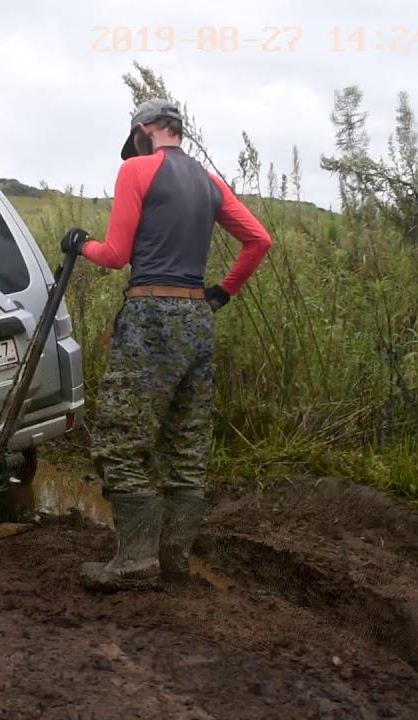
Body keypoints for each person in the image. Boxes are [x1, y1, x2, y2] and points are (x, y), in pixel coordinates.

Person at [60, 98, 272, 592]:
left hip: (151, 316)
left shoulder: (138, 170)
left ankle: (135, 560)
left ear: (148, 129)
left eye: (136, 138)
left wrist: (79, 244)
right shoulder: (210, 182)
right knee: (186, 443)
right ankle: (173, 559)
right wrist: (222, 292)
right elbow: (259, 240)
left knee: (116, 440)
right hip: (198, 318)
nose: (134, 147)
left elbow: (114, 256)